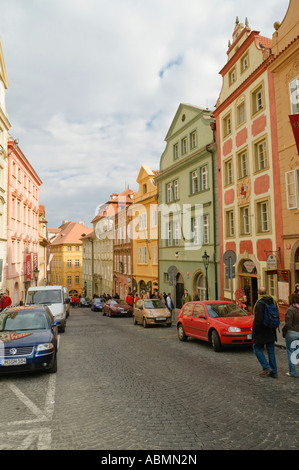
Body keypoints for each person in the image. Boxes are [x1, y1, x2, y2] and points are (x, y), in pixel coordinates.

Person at [252, 286, 278, 378]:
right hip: (271, 330)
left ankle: (266, 367)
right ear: (266, 291)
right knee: (271, 351)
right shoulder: (273, 301)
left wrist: (254, 332)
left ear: (258, 293)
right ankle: (274, 372)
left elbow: (258, 320)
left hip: (262, 331)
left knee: (256, 348)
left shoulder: (259, 304)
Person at [282, 293, 299, 378]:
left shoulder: (290, 310)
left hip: (292, 333)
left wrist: (284, 331)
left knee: (291, 352)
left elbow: (288, 323)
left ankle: (293, 372)